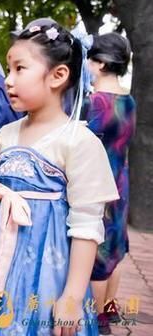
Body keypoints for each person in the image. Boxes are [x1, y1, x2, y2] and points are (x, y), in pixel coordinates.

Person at [0, 18, 119, 336]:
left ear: (58, 76)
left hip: (48, 272)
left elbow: (87, 225)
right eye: (9, 69)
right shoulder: (5, 135)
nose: (8, 80)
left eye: (20, 69)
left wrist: (73, 295)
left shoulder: (78, 141)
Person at [83, 33, 136, 335]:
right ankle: (106, 315)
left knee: (95, 257)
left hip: (96, 187)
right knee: (113, 251)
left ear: (101, 64)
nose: (87, 65)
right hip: (119, 182)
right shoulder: (128, 102)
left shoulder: (95, 104)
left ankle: (94, 323)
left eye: (90, 60)